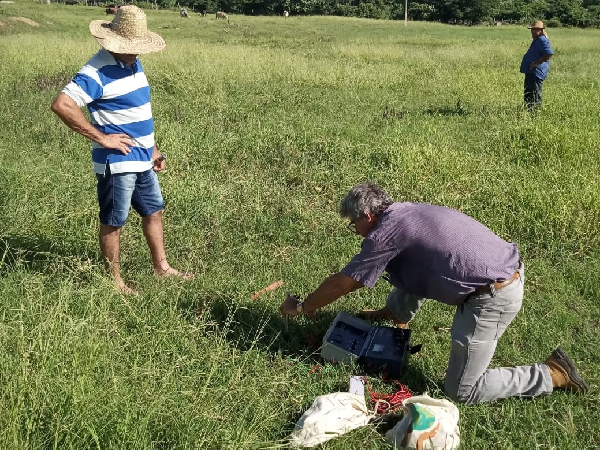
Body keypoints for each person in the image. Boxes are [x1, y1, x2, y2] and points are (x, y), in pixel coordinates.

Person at [279, 183, 588, 404]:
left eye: (353, 223)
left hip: (493, 297)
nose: (354, 230)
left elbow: (346, 281)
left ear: (368, 217)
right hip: (502, 269)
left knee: (462, 391)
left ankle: (551, 374)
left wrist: (306, 306)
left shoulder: (384, 234)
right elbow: (415, 265)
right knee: (409, 262)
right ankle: (394, 314)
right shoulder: (403, 211)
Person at [51, 6, 192, 294]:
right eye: (131, 47)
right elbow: (62, 104)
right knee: (114, 221)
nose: (136, 52)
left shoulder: (132, 63)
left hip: (142, 158)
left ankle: (162, 269)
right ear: (113, 43)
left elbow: (138, 112)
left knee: (154, 211)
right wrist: (102, 138)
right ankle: (114, 283)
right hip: (117, 163)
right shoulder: (95, 71)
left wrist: (153, 149)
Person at [520, 20, 554, 111]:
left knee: (535, 94)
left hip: (536, 72)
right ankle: (528, 111)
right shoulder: (538, 39)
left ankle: (535, 113)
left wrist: (537, 63)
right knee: (529, 93)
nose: (533, 31)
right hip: (531, 71)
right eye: (532, 29)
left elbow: (549, 53)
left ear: (541, 30)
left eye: (536, 30)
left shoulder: (542, 40)